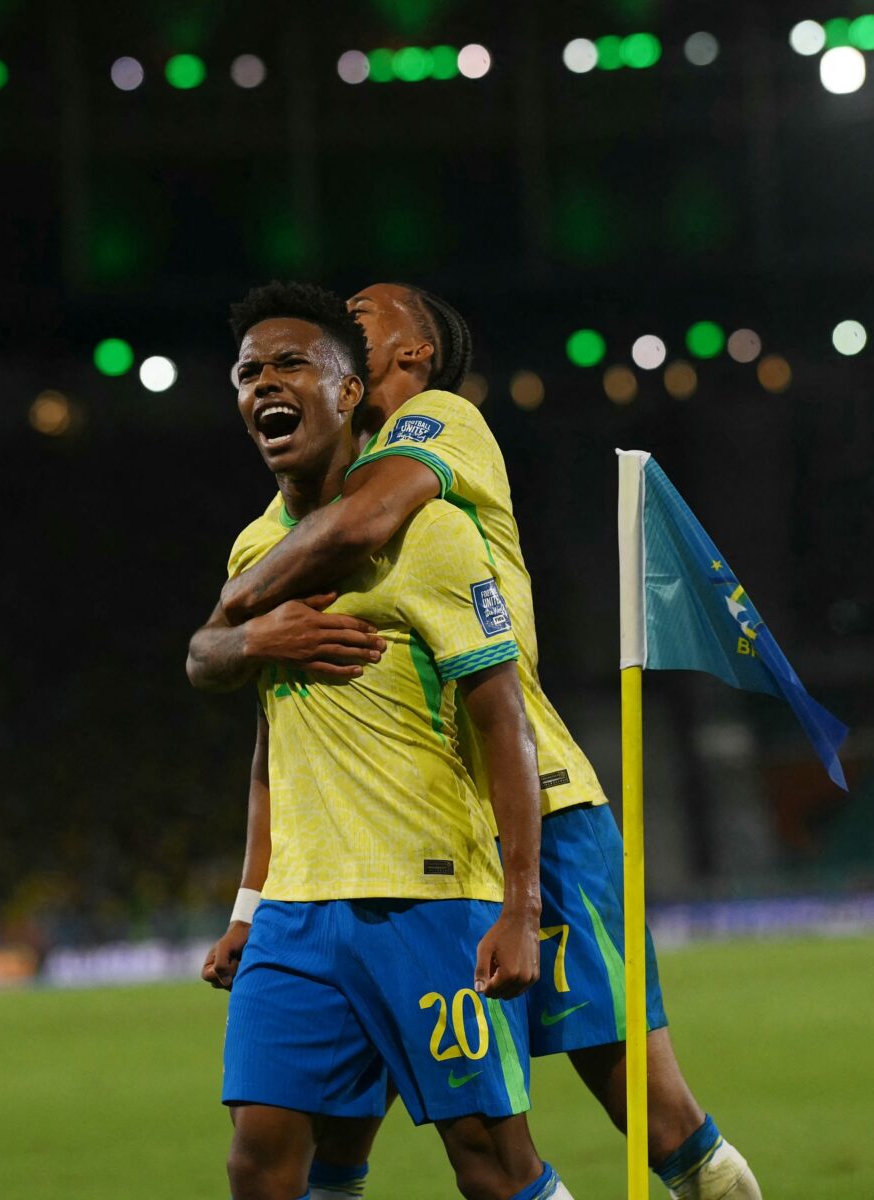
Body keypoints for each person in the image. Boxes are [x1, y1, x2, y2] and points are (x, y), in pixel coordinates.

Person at [198, 282, 762, 1200]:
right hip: (381, 836)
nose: (343, 320)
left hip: (535, 806)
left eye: (362, 318)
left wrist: (230, 618)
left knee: (641, 1110)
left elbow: (365, 523)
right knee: (324, 1132)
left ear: (410, 355)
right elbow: (273, 730)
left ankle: (717, 1185)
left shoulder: (440, 425)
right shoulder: (290, 506)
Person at [188, 281, 575, 1200]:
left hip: (429, 897)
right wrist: (249, 904)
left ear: (350, 390)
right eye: (248, 373)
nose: (264, 384)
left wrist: (520, 905)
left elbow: (504, 722)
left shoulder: (431, 535)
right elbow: (262, 741)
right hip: (297, 912)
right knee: (260, 1160)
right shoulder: (255, 554)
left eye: (291, 364)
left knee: (490, 1160)